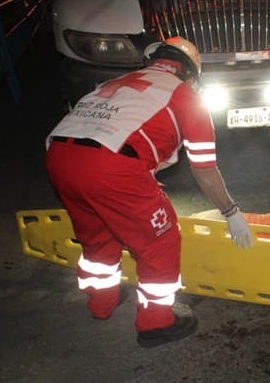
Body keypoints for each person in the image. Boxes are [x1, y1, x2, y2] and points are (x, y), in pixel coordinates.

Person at [45, 37, 254, 348]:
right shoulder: (186, 98)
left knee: (97, 234)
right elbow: (204, 171)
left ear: (152, 62)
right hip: (112, 166)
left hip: (59, 157)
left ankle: (101, 302)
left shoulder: (116, 83)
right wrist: (231, 212)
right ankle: (156, 322)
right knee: (161, 241)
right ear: (191, 73)